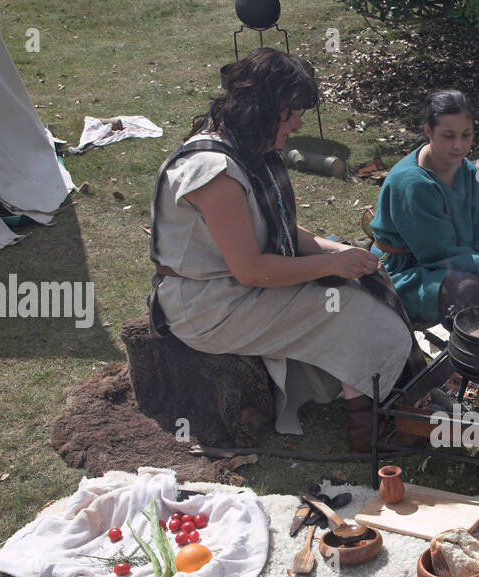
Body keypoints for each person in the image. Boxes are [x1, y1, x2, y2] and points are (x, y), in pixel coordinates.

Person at [148, 48, 415, 452]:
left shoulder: (246, 146)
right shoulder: (213, 171)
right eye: (290, 111)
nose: (298, 122)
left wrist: (342, 253)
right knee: (345, 305)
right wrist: (333, 264)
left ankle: (381, 391)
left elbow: (279, 230)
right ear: (260, 107)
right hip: (207, 306)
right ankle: (367, 424)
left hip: (233, 290)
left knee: (362, 282)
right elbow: (252, 270)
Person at [370, 89, 479, 328]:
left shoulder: (465, 168)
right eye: (448, 136)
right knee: (467, 288)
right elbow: (442, 257)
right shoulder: (412, 184)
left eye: (466, 135)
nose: (459, 146)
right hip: (414, 268)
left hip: (466, 253)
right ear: (428, 131)